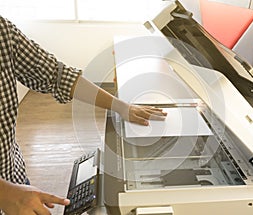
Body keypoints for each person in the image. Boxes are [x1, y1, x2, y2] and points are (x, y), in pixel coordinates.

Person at [0, 16, 167, 215]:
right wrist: (5, 193)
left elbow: (57, 75)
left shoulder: (2, 31)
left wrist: (121, 106)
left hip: (13, 176)